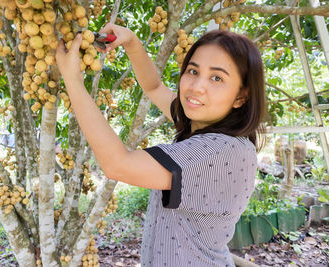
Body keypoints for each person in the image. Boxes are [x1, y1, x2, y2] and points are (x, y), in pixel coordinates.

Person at [55, 23, 266, 267]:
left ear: (241, 96)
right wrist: (132, 43)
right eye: (193, 71)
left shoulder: (218, 150)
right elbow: (154, 87)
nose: (196, 87)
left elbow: (118, 165)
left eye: (217, 78)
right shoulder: (204, 124)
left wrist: (72, 80)